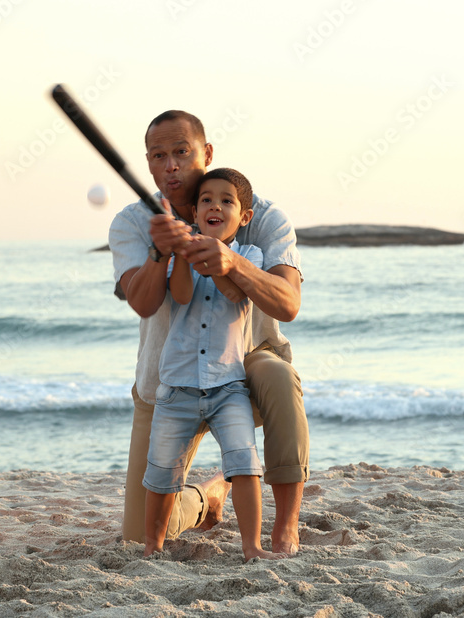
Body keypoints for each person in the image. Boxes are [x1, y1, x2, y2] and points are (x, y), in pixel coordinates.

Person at [109, 110, 308, 555]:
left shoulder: (261, 215)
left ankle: (285, 528)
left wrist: (233, 262)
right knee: (139, 537)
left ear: (207, 152)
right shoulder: (132, 223)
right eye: (159, 156)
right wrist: (162, 253)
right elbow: (143, 302)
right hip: (168, 376)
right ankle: (208, 497)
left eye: (182, 152)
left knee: (278, 375)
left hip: (242, 366)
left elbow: (288, 304)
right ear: (148, 163)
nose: (172, 166)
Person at [144, 168, 284, 560]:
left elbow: (235, 292)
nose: (215, 206)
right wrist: (186, 254)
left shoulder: (250, 257)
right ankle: (153, 548)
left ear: (244, 217)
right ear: (194, 211)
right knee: (161, 472)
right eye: (206, 199)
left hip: (228, 386)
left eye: (226, 201)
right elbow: (183, 295)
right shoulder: (179, 255)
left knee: (244, 463)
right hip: (177, 386)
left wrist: (218, 259)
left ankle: (252, 546)